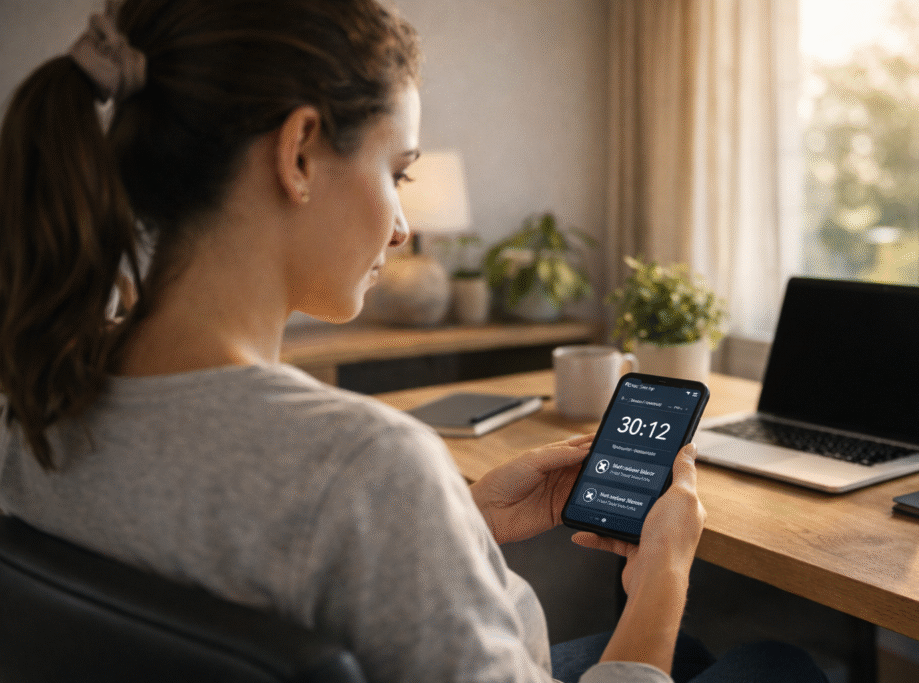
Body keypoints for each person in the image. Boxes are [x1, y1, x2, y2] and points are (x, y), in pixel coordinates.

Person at [0, 1, 828, 681]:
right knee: (774, 663)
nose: (401, 228)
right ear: (298, 153)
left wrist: (457, 524)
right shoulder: (364, 468)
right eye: (397, 172)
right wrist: (663, 578)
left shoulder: (36, 399)